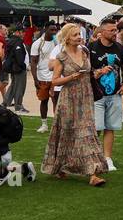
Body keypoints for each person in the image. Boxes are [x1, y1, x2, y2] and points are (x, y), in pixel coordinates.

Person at [43, 23, 107, 186]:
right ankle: (61, 167)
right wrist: (71, 77)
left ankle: (92, 173)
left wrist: (98, 72)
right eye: (75, 35)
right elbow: (55, 80)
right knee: (67, 133)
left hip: (85, 97)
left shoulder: (85, 52)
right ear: (66, 38)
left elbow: (89, 73)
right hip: (68, 99)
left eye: (79, 34)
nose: (79, 37)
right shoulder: (61, 57)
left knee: (87, 132)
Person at [88, 17, 123, 172]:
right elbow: (86, 70)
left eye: (115, 30)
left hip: (115, 94)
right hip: (97, 94)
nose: (114, 33)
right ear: (102, 32)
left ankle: (107, 158)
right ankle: (93, 156)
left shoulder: (119, 48)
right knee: (96, 127)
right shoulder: (91, 48)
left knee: (110, 127)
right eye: (111, 30)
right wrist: (98, 72)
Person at [30, 22, 60, 134]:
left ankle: (57, 125)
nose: (54, 32)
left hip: (55, 76)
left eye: (55, 30)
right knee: (44, 100)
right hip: (42, 76)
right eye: (51, 30)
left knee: (56, 101)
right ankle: (44, 124)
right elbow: (33, 62)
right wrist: (35, 79)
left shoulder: (57, 43)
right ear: (45, 29)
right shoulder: (37, 44)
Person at [3, 25, 29, 113]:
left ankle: (5, 102)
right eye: (22, 32)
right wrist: (23, 66)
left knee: (13, 85)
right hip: (18, 68)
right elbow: (19, 57)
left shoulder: (10, 41)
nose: (24, 33)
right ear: (17, 32)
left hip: (13, 67)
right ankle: (18, 105)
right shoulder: (17, 42)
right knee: (19, 87)